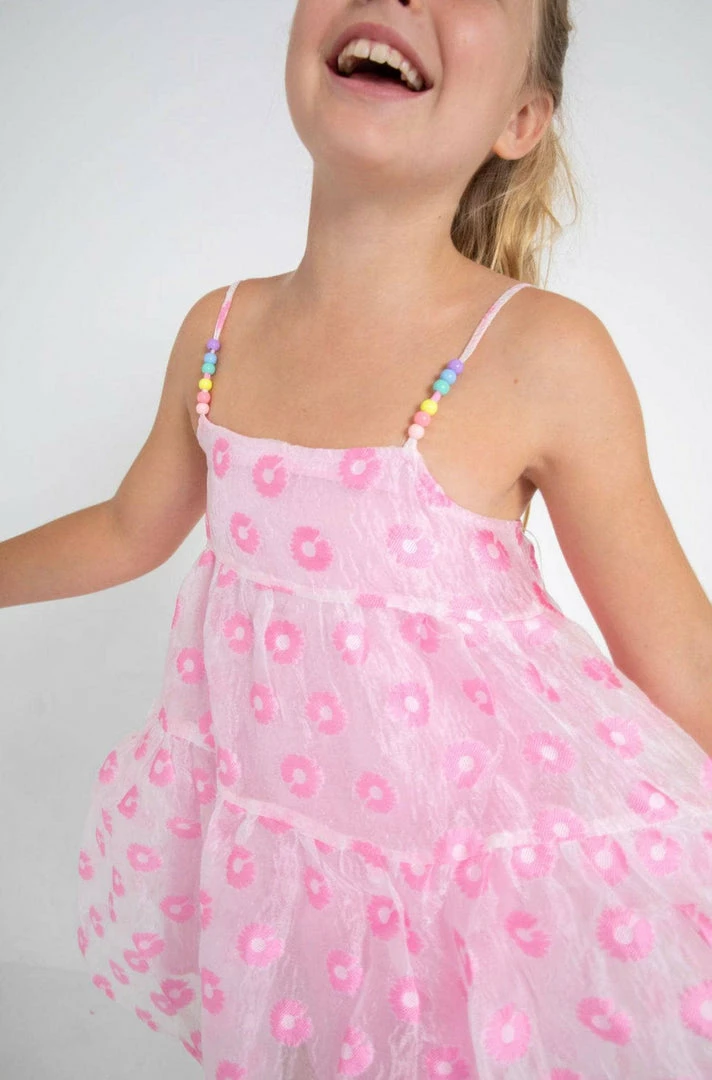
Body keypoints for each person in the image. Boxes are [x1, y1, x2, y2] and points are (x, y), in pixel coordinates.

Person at [2, 1, 712, 1077]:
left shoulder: (540, 353)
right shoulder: (220, 329)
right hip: (292, 877)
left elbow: (681, 661)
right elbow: (126, 528)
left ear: (520, 120)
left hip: (471, 887)